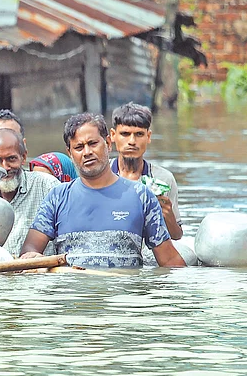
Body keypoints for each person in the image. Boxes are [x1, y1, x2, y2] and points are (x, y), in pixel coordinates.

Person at [20, 113, 185, 268]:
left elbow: (170, 260)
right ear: (69, 153)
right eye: (79, 147)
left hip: (125, 296)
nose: (87, 152)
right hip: (72, 296)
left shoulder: (141, 196)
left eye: (93, 143)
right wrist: (32, 257)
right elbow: (31, 248)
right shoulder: (57, 197)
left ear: (107, 143)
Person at [110, 102, 183, 240]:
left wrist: (167, 215)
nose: (132, 141)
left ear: (148, 137)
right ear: (113, 135)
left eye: (139, 134)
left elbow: (177, 236)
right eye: (125, 134)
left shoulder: (163, 179)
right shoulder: (101, 174)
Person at [0, 126, 60, 257]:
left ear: (23, 157)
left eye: (11, 159)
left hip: (40, 274)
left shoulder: (48, 186)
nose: (4, 168)